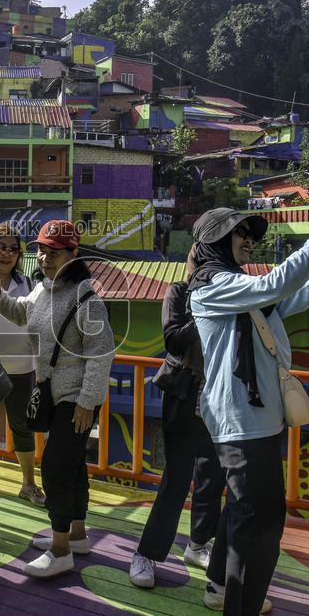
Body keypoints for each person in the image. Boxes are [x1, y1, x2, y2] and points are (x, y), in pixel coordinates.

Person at [189, 202, 309, 616]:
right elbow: (277, 284)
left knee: (243, 510)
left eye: (252, 235)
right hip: (240, 422)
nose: (250, 241)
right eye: (240, 234)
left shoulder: (242, 293)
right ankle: (240, 611)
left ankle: (219, 588)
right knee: (261, 523)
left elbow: (293, 295)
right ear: (215, 240)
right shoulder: (211, 287)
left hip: (261, 419)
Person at [0, 220, 114, 578]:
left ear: (73, 254)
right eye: (41, 250)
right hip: (54, 390)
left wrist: (87, 401)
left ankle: (61, 549)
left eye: (54, 251)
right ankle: (76, 535)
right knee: (74, 466)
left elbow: (101, 351)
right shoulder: (42, 290)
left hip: (76, 398)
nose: (45, 257)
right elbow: (20, 312)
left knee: (55, 469)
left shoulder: (85, 297)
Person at [129, 248, 223, 588]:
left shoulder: (229, 291)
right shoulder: (179, 292)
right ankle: (146, 553)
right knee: (177, 478)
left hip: (218, 396)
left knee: (214, 475)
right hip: (184, 392)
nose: (201, 268)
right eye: (198, 261)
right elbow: (172, 340)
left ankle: (198, 544)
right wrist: (204, 311)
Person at [0, 222, 45, 507]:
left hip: (22, 367)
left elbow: (37, 322)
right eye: (0, 246)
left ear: (19, 256)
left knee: (23, 426)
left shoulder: (29, 284)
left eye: (13, 249)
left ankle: (28, 484)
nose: (6, 253)